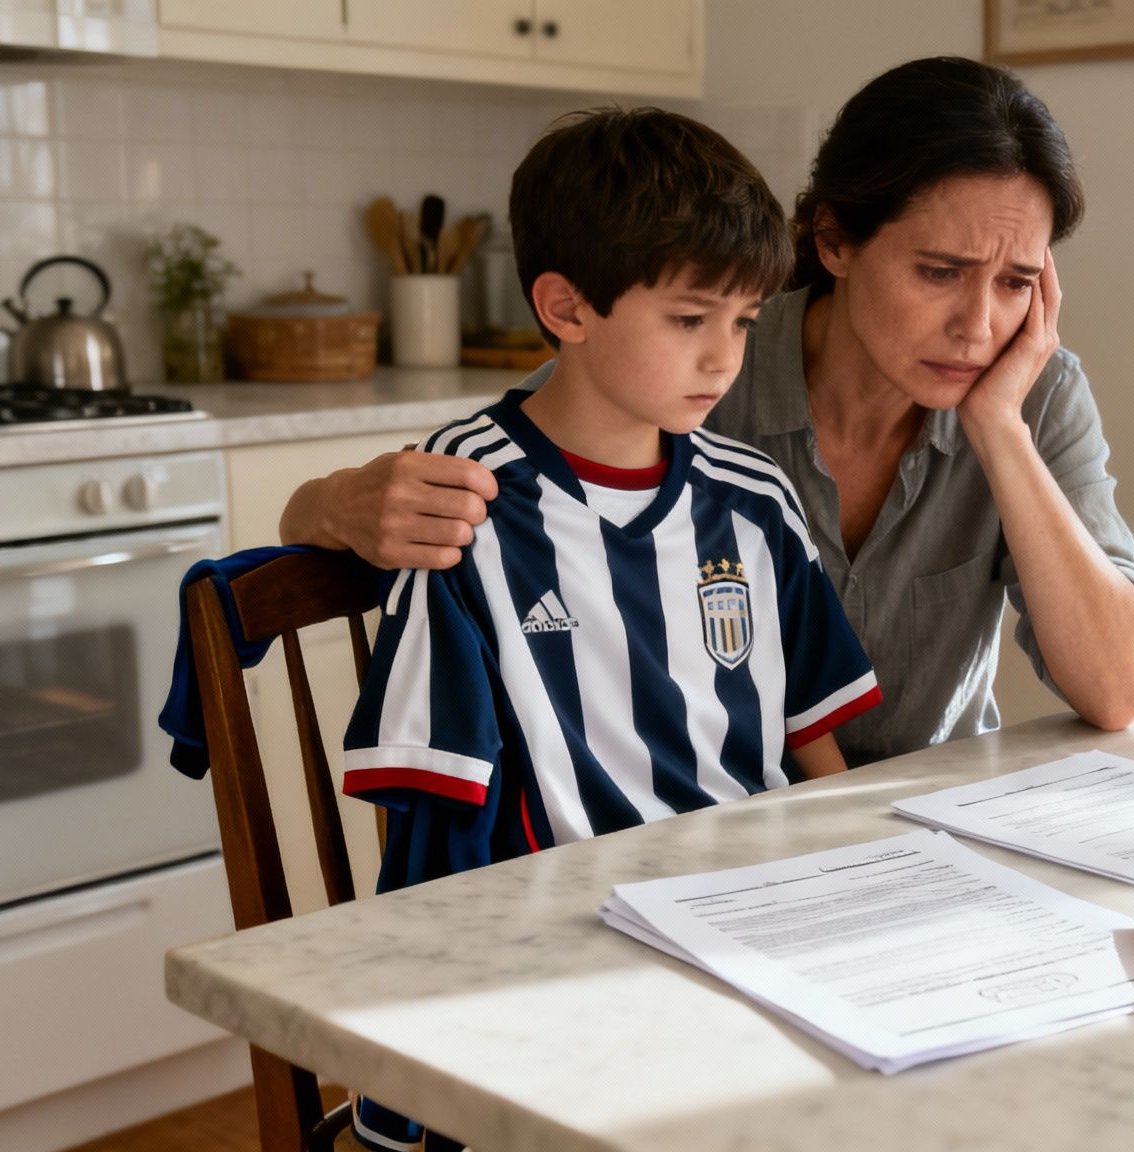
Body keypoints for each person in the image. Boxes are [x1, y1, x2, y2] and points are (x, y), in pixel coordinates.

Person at [284, 56, 1134, 766]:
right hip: (726, 832)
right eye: (939, 273)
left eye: (1016, 282)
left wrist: (999, 431)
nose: (979, 326)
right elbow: (508, 465)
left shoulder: (1035, 390)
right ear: (834, 242)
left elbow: (1118, 689)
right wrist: (327, 503)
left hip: (928, 825)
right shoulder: (703, 365)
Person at [341, 107, 878, 1152]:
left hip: (746, 915)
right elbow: (435, 804)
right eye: (689, 319)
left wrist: (852, 872)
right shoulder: (463, 500)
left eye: (743, 322)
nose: (722, 358)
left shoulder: (754, 499)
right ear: (565, 306)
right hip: (567, 938)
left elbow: (813, 739)